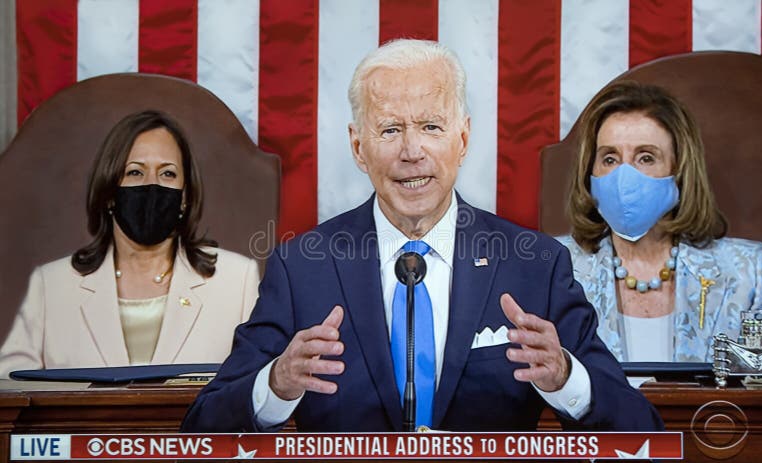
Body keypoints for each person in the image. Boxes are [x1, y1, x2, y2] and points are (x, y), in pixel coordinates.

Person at [182, 40, 662, 432]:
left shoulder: (534, 263)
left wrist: (566, 379)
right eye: (390, 130)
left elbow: (641, 429)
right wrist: (277, 384)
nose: (412, 152)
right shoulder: (302, 267)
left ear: (463, 138)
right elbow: (202, 427)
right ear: (357, 147)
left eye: (431, 127)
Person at [0, 110, 260, 376]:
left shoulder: (237, 280)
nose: (151, 185)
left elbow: (255, 388)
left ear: (185, 197)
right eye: (135, 172)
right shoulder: (51, 286)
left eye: (168, 174)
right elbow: (10, 388)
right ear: (110, 192)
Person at [557, 81, 762, 363]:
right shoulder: (556, 268)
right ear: (590, 171)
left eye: (646, 157)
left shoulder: (750, 272)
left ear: (679, 170)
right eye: (610, 158)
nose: (624, 177)